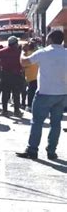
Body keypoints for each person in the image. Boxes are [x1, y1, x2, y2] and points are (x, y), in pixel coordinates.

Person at [16, 30, 67, 160]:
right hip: (61, 94)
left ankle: (32, 150)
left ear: (49, 39)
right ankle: (51, 151)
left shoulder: (43, 53)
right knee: (56, 124)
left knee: (37, 122)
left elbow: (24, 62)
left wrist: (23, 51)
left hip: (44, 92)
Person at [0, 36, 24, 117]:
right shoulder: (19, 52)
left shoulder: (2, 51)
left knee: (5, 93)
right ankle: (16, 111)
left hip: (5, 75)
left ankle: (5, 111)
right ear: (14, 44)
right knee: (16, 94)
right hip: (16, 75)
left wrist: (0, 66)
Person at [21, 40, 39, 112]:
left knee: (30, 91)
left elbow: (23, 65)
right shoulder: (36, 54)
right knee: (34, 92)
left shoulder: (25, 54)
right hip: (36, 75)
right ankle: (31, 105)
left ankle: (29, 105)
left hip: (29, 76)